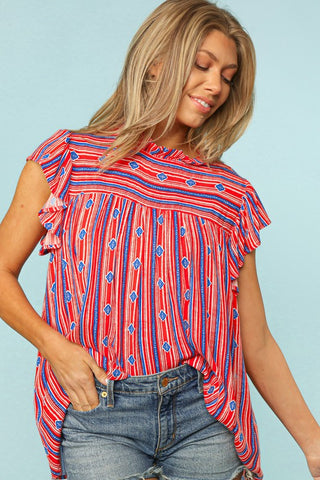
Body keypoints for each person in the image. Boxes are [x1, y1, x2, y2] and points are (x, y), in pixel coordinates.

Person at [0, 0, 319, 479]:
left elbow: (255, 340)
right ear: (154, 63)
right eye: (202, 65)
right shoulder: (69, 159)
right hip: (97, 416)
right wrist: (53, 347)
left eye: (229, 76)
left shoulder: (228, 193)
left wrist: (313, 443)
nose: (216, 86)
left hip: (204, 415)